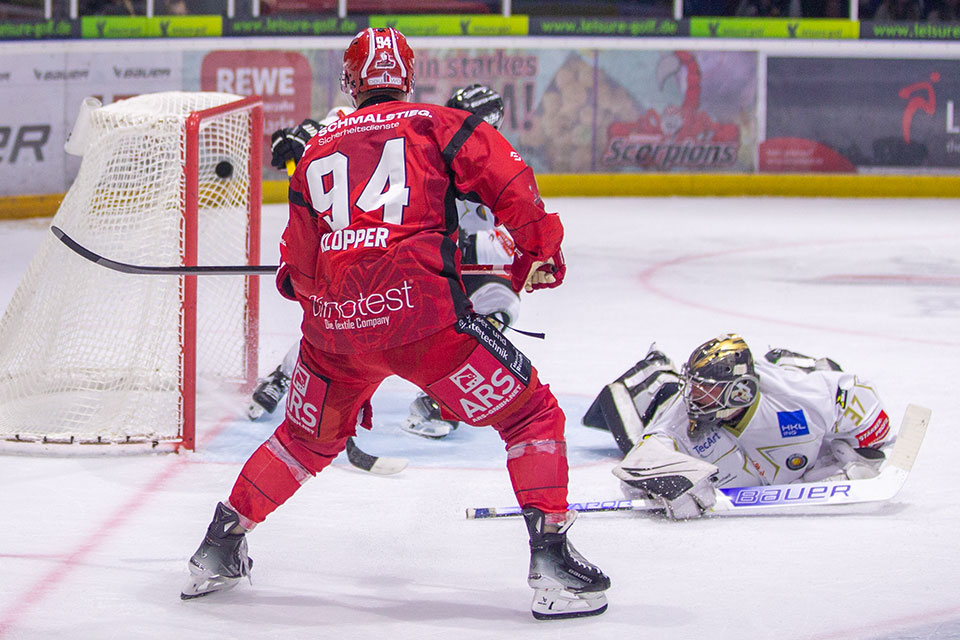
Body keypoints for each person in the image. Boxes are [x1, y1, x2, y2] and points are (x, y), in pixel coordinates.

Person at [181, 27, 610, 620]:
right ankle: (554, 562)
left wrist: (319, 297)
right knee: (531, 415)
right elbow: (512, 182)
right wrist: (539, 252)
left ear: (351, 83)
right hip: (426, 324)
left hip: (335, 335)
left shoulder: (316, 151)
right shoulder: (436, 124)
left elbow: (299, 269)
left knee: (302, 441)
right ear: (406, 77)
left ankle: (218, 546)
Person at [250, 84, 521, 441]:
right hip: (383, 259)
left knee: (500, 304)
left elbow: (498, 229)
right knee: (345, 313)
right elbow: (344, 132)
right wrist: (304, 137)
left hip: (433, 270)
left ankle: (441, 400)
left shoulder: (485, 163)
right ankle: (286, 375)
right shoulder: (421, 137)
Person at [582, 334, 890, 519]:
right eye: (693, 385)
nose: (692, 395)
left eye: (705, 389)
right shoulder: (679, 415)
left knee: (803, 368)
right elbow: (641, 458)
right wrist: (670, 480)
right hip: (657, 404)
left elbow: (860, 400)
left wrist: (860, 448)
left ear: (739, 391)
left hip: (783, 378)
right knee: (636, 409)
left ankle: (783, 360)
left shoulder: (799, 396)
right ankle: (657, 368)